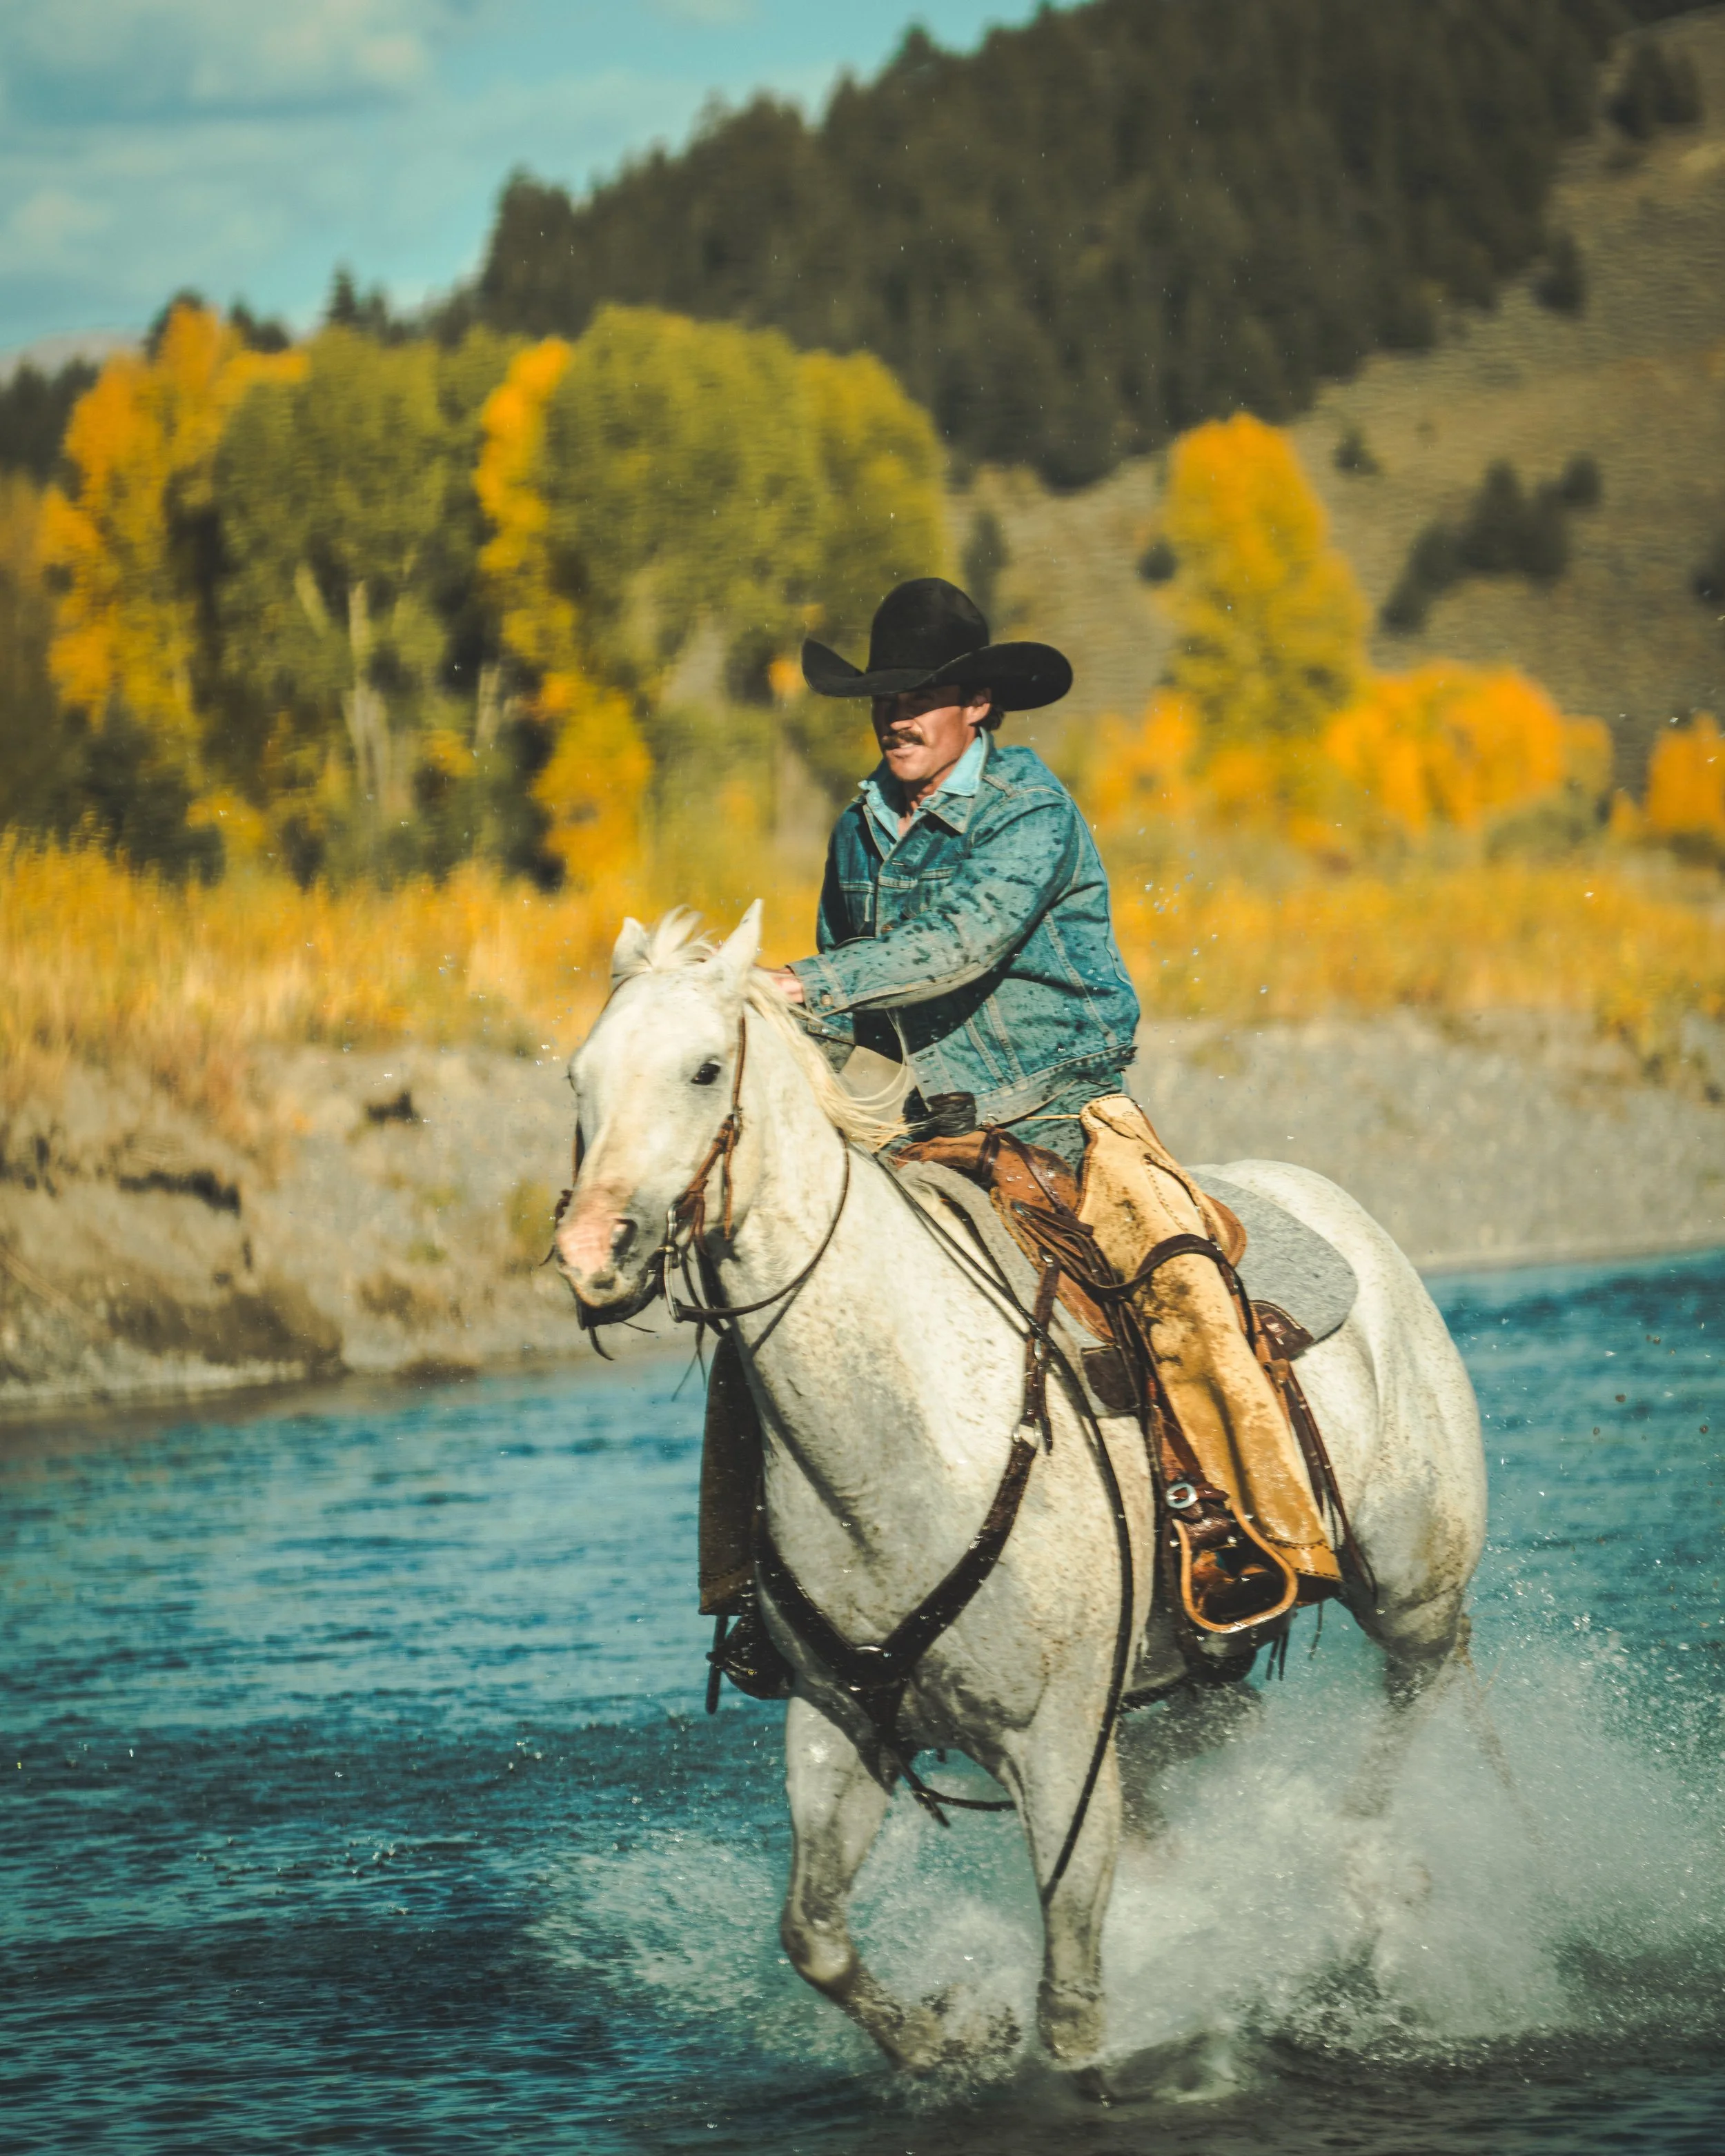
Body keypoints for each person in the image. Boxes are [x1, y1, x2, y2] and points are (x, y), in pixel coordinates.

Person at [703, 577, 1339, 1694]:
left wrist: (794, 984)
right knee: (768, 1310)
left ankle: (1233, 1537)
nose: (896, 717)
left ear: (978, 704)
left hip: (1058, 1112)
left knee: (1178, 1289)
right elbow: (856, 1012)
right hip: (910, 1128)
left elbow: (959, 942)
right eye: (883, 699)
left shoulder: (1031, 815)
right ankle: (753, 1593)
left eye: (921, 696)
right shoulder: (858, 828)